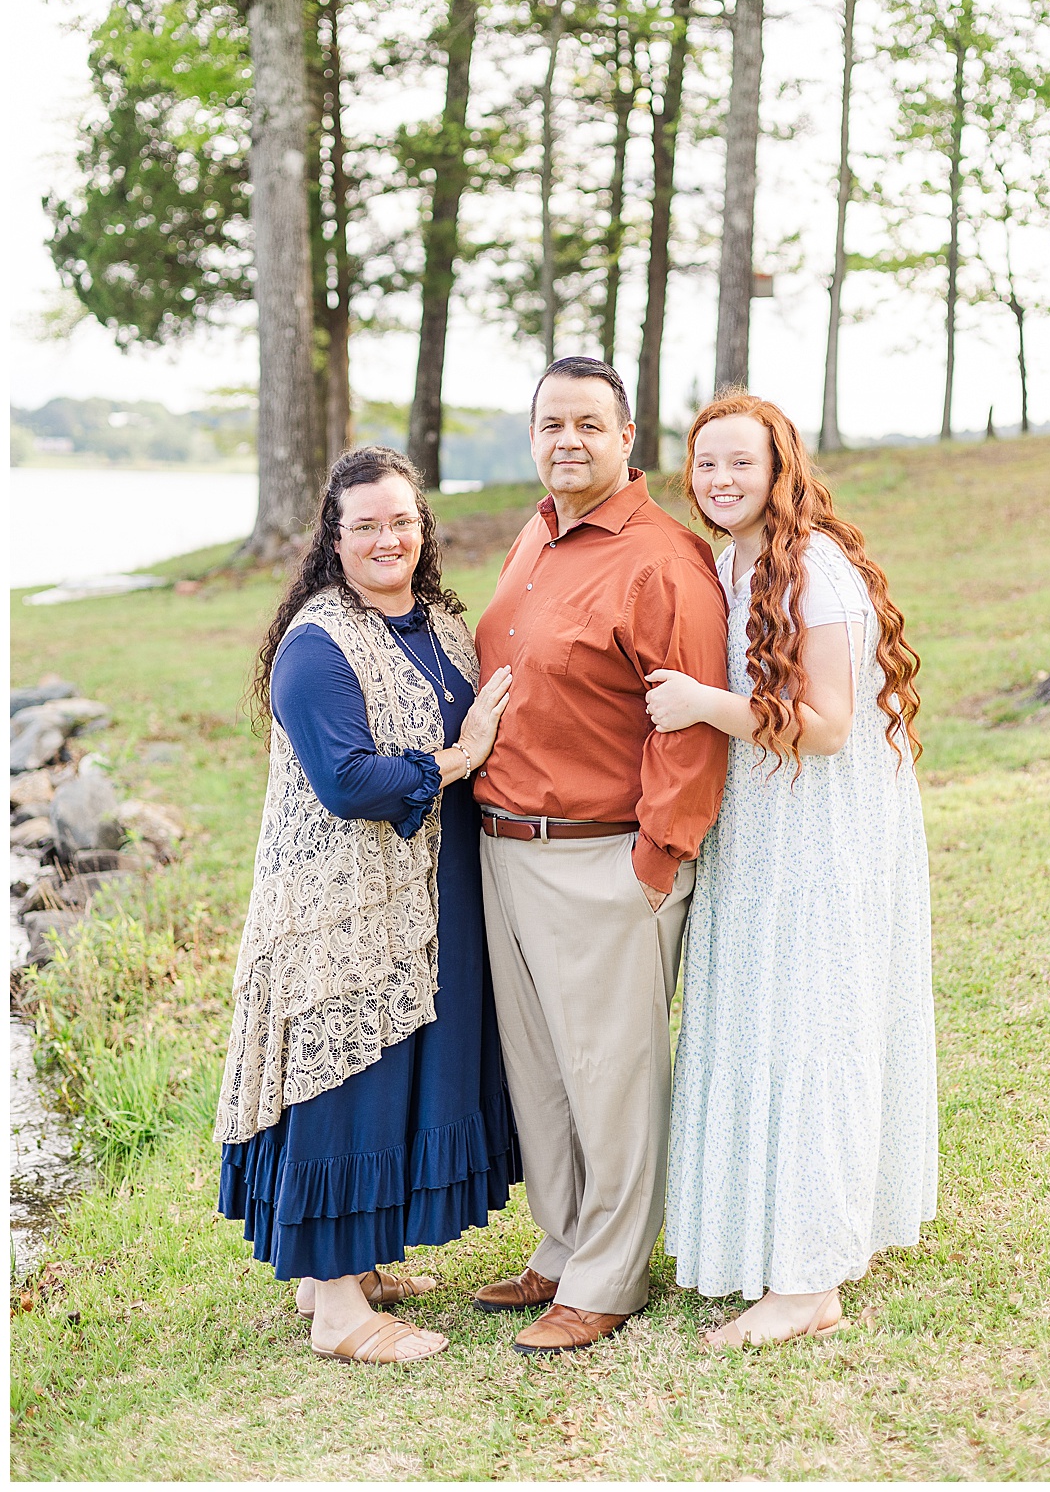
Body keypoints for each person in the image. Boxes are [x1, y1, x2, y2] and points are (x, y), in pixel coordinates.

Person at [214, 446, 518, 1366]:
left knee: (395, 1080)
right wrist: (458, 760)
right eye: (366, 525)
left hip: (430, 889)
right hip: (341, 902)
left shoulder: (439, 624)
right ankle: (341, 1317)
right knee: (344, 1082)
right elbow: (347, 783)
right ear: (334, 539)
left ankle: (343, 1268)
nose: (388, 538)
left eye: (402, 520)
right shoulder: (317, 643)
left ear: (422, 527)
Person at [652, 392, 938, 1347]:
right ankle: (774, 1237)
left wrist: (702, 702)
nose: (719, 480)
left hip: (818, 824)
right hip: (760, 823)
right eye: (704, 463)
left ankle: (810, 1283)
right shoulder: (729, 563)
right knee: (760, 1020)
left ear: (781, 470)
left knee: (813, 1027)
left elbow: (827, 729)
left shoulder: (813, 567)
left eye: (740, 462)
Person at [471, 357, 730, 1356]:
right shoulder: (537, 531)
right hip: (509, 847)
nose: (567, 439)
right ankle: (563, 1240)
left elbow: (690, 723)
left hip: (607, 855)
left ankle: (610, 1275)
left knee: (611, 1073)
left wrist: (657, 858)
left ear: (628, 437)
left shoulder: (664, 558)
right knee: (542, 1070)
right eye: (550, 422)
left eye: (588, 423)